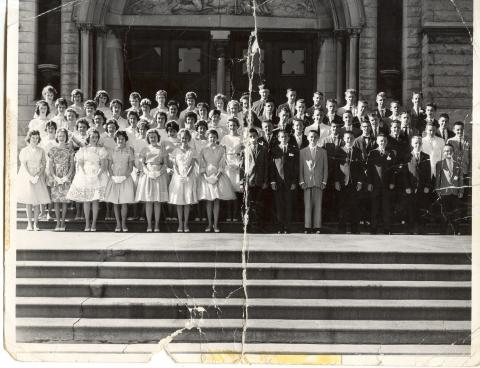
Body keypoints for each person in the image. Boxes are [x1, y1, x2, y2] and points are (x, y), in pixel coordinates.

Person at [67, 129, 109, 232]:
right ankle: (87, 224)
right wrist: (85, 174)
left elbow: (103, 166)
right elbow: (80, 163)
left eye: (96, 137)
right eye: (92, 137)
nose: (94, 139)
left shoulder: (101, 150)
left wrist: (96, 176)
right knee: (86, 200)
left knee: (95, 200)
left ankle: (93, 223)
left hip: (97, 175)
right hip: (85, 175)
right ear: (89, 137)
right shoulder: (83, 149)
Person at [198, 129, 236, 232]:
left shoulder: (221, 149)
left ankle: (216, 225)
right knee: (209, 201)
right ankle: (209, 224)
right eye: (210, 137)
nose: (212, 139)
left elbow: (222, 164)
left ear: (217, 138)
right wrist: (206, 177)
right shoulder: (203, 149)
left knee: (216, 200)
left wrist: (217, 176)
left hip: (218, 176)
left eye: (214, 137)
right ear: (207, 138)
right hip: (207, 177)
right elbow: (201, 164)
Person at [17, 130, 51, 231]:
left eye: (36, 138)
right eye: (33, 138)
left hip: (38, 176)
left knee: (37, 201)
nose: (35, 140)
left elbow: (44, 164)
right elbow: (24, 164)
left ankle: (36, 224)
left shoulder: (41, 150)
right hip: (27, 176)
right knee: (28, 201)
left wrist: (38, 175)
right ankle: (29, 223)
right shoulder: (24, 150)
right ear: (29, 138)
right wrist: (30, 175)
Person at [105, 131, 136, 232]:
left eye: (122, 139)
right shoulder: (112, 151)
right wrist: (113, 177)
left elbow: (131, 167)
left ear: (125, 140)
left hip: (125, 179)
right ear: (116, 140)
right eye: (118, 139)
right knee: (115, 203)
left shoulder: (129, 151)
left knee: (124, 203)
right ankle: (118, 224)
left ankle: (123, 224)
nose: (120, 141)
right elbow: (109, 166)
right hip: (114, 179)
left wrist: (124, 177)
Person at [269, 130, 299, 233]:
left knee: (288, 204)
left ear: (289, 138)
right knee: (279, 205)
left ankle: (287, 227)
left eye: (285, 136)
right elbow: (272, 167)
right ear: (278, 138)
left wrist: (294, 182)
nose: (284, 138)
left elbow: (296, 168)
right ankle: (279, 227)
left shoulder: (294, 150)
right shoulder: (274, 150)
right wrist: (272, 181)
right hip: (278, 181)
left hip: (289, 182)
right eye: (281, 137)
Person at [169, 129, 198, 232]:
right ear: (180, 139)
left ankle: (186, 224)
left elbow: (192, 165)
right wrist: (179, 175)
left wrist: (186, 176)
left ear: (189, 139)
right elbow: (175, 165)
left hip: (189, 177)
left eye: (186, 138)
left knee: (186, 202)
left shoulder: (192, 150)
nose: (184, 139)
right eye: (182, 138)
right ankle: (180, 225)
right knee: (179, 202)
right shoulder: (176, 151)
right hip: (178, 177)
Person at [334, 131, 364, 233]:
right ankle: (341, 229)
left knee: (354, 206)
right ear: (343, 139)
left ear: (354, 139)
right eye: (347, 138)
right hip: (343, 183)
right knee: (342, 207)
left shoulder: (358, 151)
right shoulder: (339, 150)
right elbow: (336, 168)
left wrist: (360, 182)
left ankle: (355, 229)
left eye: (351, 138)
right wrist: (337, 181)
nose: (349, 140)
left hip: (354, 184)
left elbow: (361, 168)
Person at [299, 130, 328, 234]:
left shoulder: (323, 152)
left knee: (318, 205)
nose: (313, 139)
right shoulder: (302, 151)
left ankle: (317, 227)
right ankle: (307, 226)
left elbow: (325, 168)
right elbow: (301, 168)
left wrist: (324, 181)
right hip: (306, 182)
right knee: (307, 205)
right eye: (311, 137)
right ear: (307, 138)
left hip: (319, 182)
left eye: (315, 137)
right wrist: (301, 181)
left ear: (318, 138)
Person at [366, 134, 397, 234]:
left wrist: (392, 182)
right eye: (380, 141)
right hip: (375, 184)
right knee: (374, 207)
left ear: (386, 142)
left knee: (386, 207)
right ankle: (373, 228)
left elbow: (393, 169)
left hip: (386, 184)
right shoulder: (372, 153)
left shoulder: (391, 153)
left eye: (384, 141)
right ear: (377, 142)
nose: (382, 143)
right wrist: (369, 183)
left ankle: (387, 228)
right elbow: (369, 169)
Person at [240, 128, 269, 232]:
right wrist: (241, 181)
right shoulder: (245, 150)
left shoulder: (263, 149)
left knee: (260, 204)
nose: (252, 139)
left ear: (258, 137)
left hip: (260, 180)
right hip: (249, 180)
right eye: (250, 137)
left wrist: (265, 181)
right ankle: (248, 225)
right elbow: (242, 167)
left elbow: (266, 166)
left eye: (254, 136)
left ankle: (259, 225)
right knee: (248, 204)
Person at [403, 136, 432, 234]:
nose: (417, 145)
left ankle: (422, 229)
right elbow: (405, 173)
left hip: (422, 187)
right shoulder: (407, 156)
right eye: (415, 143)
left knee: (422, 208)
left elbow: (428, 172)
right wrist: (407, 186)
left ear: (422, 144)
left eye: (419, 143)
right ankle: (411, 229)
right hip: (411, 187)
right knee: (411, 209)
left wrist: (427, 186)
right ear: (412, 144)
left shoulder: (426, 156)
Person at [48, 128, 75, 231]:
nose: (61, 138)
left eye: (63, 136)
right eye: (59, 136)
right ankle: (57, 222)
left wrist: (66, 177)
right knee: (56, 201)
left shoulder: (70, 151)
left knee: (64, 201)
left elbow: (72, 165)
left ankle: (63, 222)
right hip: (56, 177)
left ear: (66, 137)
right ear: (57, 137)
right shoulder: (52, 150)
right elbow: (50, 166)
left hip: (65, 177)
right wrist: (54, 177)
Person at [435, 144, 464, 234]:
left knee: (456, 213)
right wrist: (438, 190)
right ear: (443, 153)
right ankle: (443, 231)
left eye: (450, 151)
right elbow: (438, 179)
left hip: (455, 192)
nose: (448, 153)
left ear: (453, 152)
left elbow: (461, 178)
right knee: (444, 213)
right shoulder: (440, 163)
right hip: (444, 192)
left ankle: (456, 230)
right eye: (446, 151)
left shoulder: (458, 164)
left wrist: (461, 191)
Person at [220, 117, 243, 222]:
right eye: (230, 126)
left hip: (238, 165)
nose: (232, 127)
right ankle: (229, 216)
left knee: (237, 190)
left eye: (234, 125)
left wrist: (239, 164)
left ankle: (236, 215)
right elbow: (222, 152)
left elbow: (243, 153)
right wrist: (227, 163)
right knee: (229, 190)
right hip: (228, 165)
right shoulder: (225, 138)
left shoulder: (241, 138)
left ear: (237, 126)